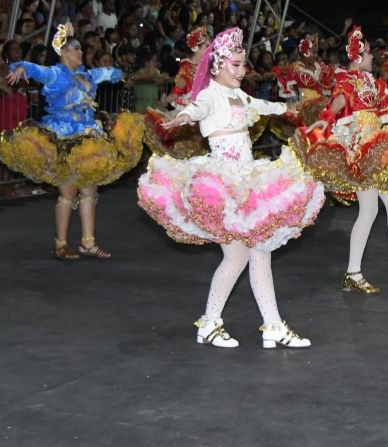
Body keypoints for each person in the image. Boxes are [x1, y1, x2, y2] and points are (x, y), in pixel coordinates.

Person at [138, 27, 325, 349]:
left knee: (249, 255)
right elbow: (195, 109)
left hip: (247, 179)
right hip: (224, 182)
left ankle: (247, 325)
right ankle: (253, 325)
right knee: (247, 255)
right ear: (216, 66)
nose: (242, 71)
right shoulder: (210, 94)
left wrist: (294, 111)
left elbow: (265, 106)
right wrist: (182, 116)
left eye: (243, 65)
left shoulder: (240, 95)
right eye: (235, 65)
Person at [298, 26, 388, 294]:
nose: (372, 57)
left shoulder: (374, 82)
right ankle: (371, 271)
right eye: (369, 52)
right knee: (374, 209)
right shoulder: (350, 79)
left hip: (377, 148)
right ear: (358, 55)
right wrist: (326, 116)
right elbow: (339, 99)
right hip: (361, 147)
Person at [0, 22, 145, 259]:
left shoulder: (88, 75)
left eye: (80, 50)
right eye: (76, 49)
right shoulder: (55, 73)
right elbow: (34, 68)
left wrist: (120, 74)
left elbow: (110, 73)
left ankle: (88, 242)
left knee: (89, 188)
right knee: (68, 192)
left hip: (88, 136)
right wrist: (20, 67)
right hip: (62, 138)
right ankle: (61, 244)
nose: (80, 53)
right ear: (64, 52)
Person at [144, 26, 212, 159]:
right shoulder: (186, 66)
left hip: (205, 108)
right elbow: (179, 88)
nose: (210, 49)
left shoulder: (206, 67)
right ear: (195, 48)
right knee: (188, 149)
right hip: (190, 109)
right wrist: (166, 101)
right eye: (206, 46)